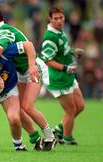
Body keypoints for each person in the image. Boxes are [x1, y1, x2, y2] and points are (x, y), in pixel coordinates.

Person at [0, 7, 56, 151]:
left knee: (27, 106)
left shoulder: (3, 31)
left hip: (33, 68)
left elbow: (28, 45)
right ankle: (35, 138)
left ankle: (50, 135)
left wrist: (32, 65)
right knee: (17, 108)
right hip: (20, 72)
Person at [40, 7, 84, 145]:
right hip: (58, 78)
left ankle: (59, 129)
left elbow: (61, 50)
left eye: (61, 17)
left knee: (80, 106)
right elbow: (47, 60)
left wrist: (72, 52)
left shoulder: (60, 32)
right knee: (71, 111)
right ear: (50, 19)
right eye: (56, 18)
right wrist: (65, 68)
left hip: (67, 75)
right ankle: (66, 137)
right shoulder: (49, 37)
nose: (59, 21)